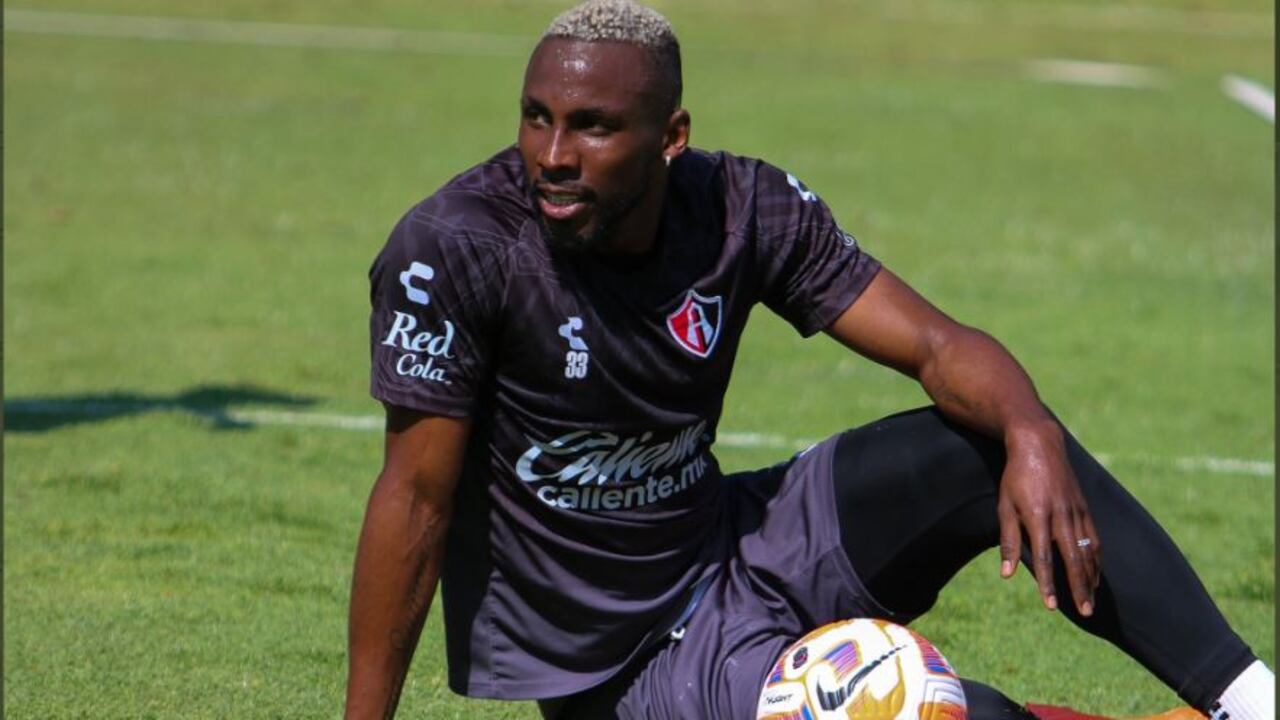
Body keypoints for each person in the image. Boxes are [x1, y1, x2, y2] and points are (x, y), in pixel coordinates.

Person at [344, 2, 1274, 718]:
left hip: (733, 542)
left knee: (991, 436)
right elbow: (414, 500)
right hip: (624, 663)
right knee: (916, 707)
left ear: (671, 137)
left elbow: (939, 346)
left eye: (593, 125)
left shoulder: (740, 206)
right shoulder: (456, 248)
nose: (552, 154)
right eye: (535, 117)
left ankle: (1251, 700)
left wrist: (1033, 432)